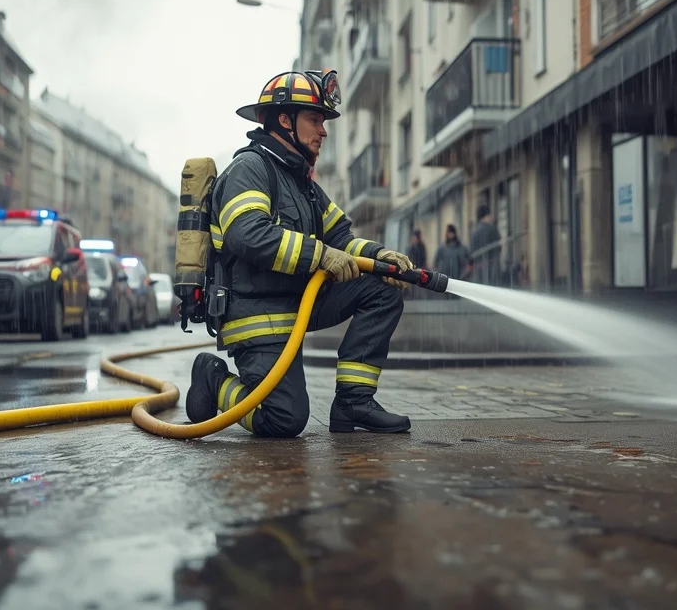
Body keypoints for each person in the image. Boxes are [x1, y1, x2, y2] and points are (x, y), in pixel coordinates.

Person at [186, 69, 415, 436]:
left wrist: (379, 257)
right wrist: (320, 255)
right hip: (257, 313)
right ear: (283, 120)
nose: (323, 130)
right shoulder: (250, 169)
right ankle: (214, 381)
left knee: (381, 289)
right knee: (284, 420)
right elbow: (248, 235)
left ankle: (353, 403)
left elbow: (340, 238)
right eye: (314, 119)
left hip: (297, 304)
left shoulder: (301, 182)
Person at [469, 204, 502, 285]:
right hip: (492, 267)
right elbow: (498, 247)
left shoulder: (474, 231)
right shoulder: (492, 229)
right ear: (486, 215)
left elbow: (472, 250)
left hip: (478, 268)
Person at [433, 224, 472, 291]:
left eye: (451, 233)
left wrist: (465, 273)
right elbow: (436, 262)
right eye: (449, 233)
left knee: (456, 297)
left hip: (458, 278)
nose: (450, 235)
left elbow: (469, 260)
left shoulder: (461, 248)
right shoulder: (442, 248)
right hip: (445, 280)